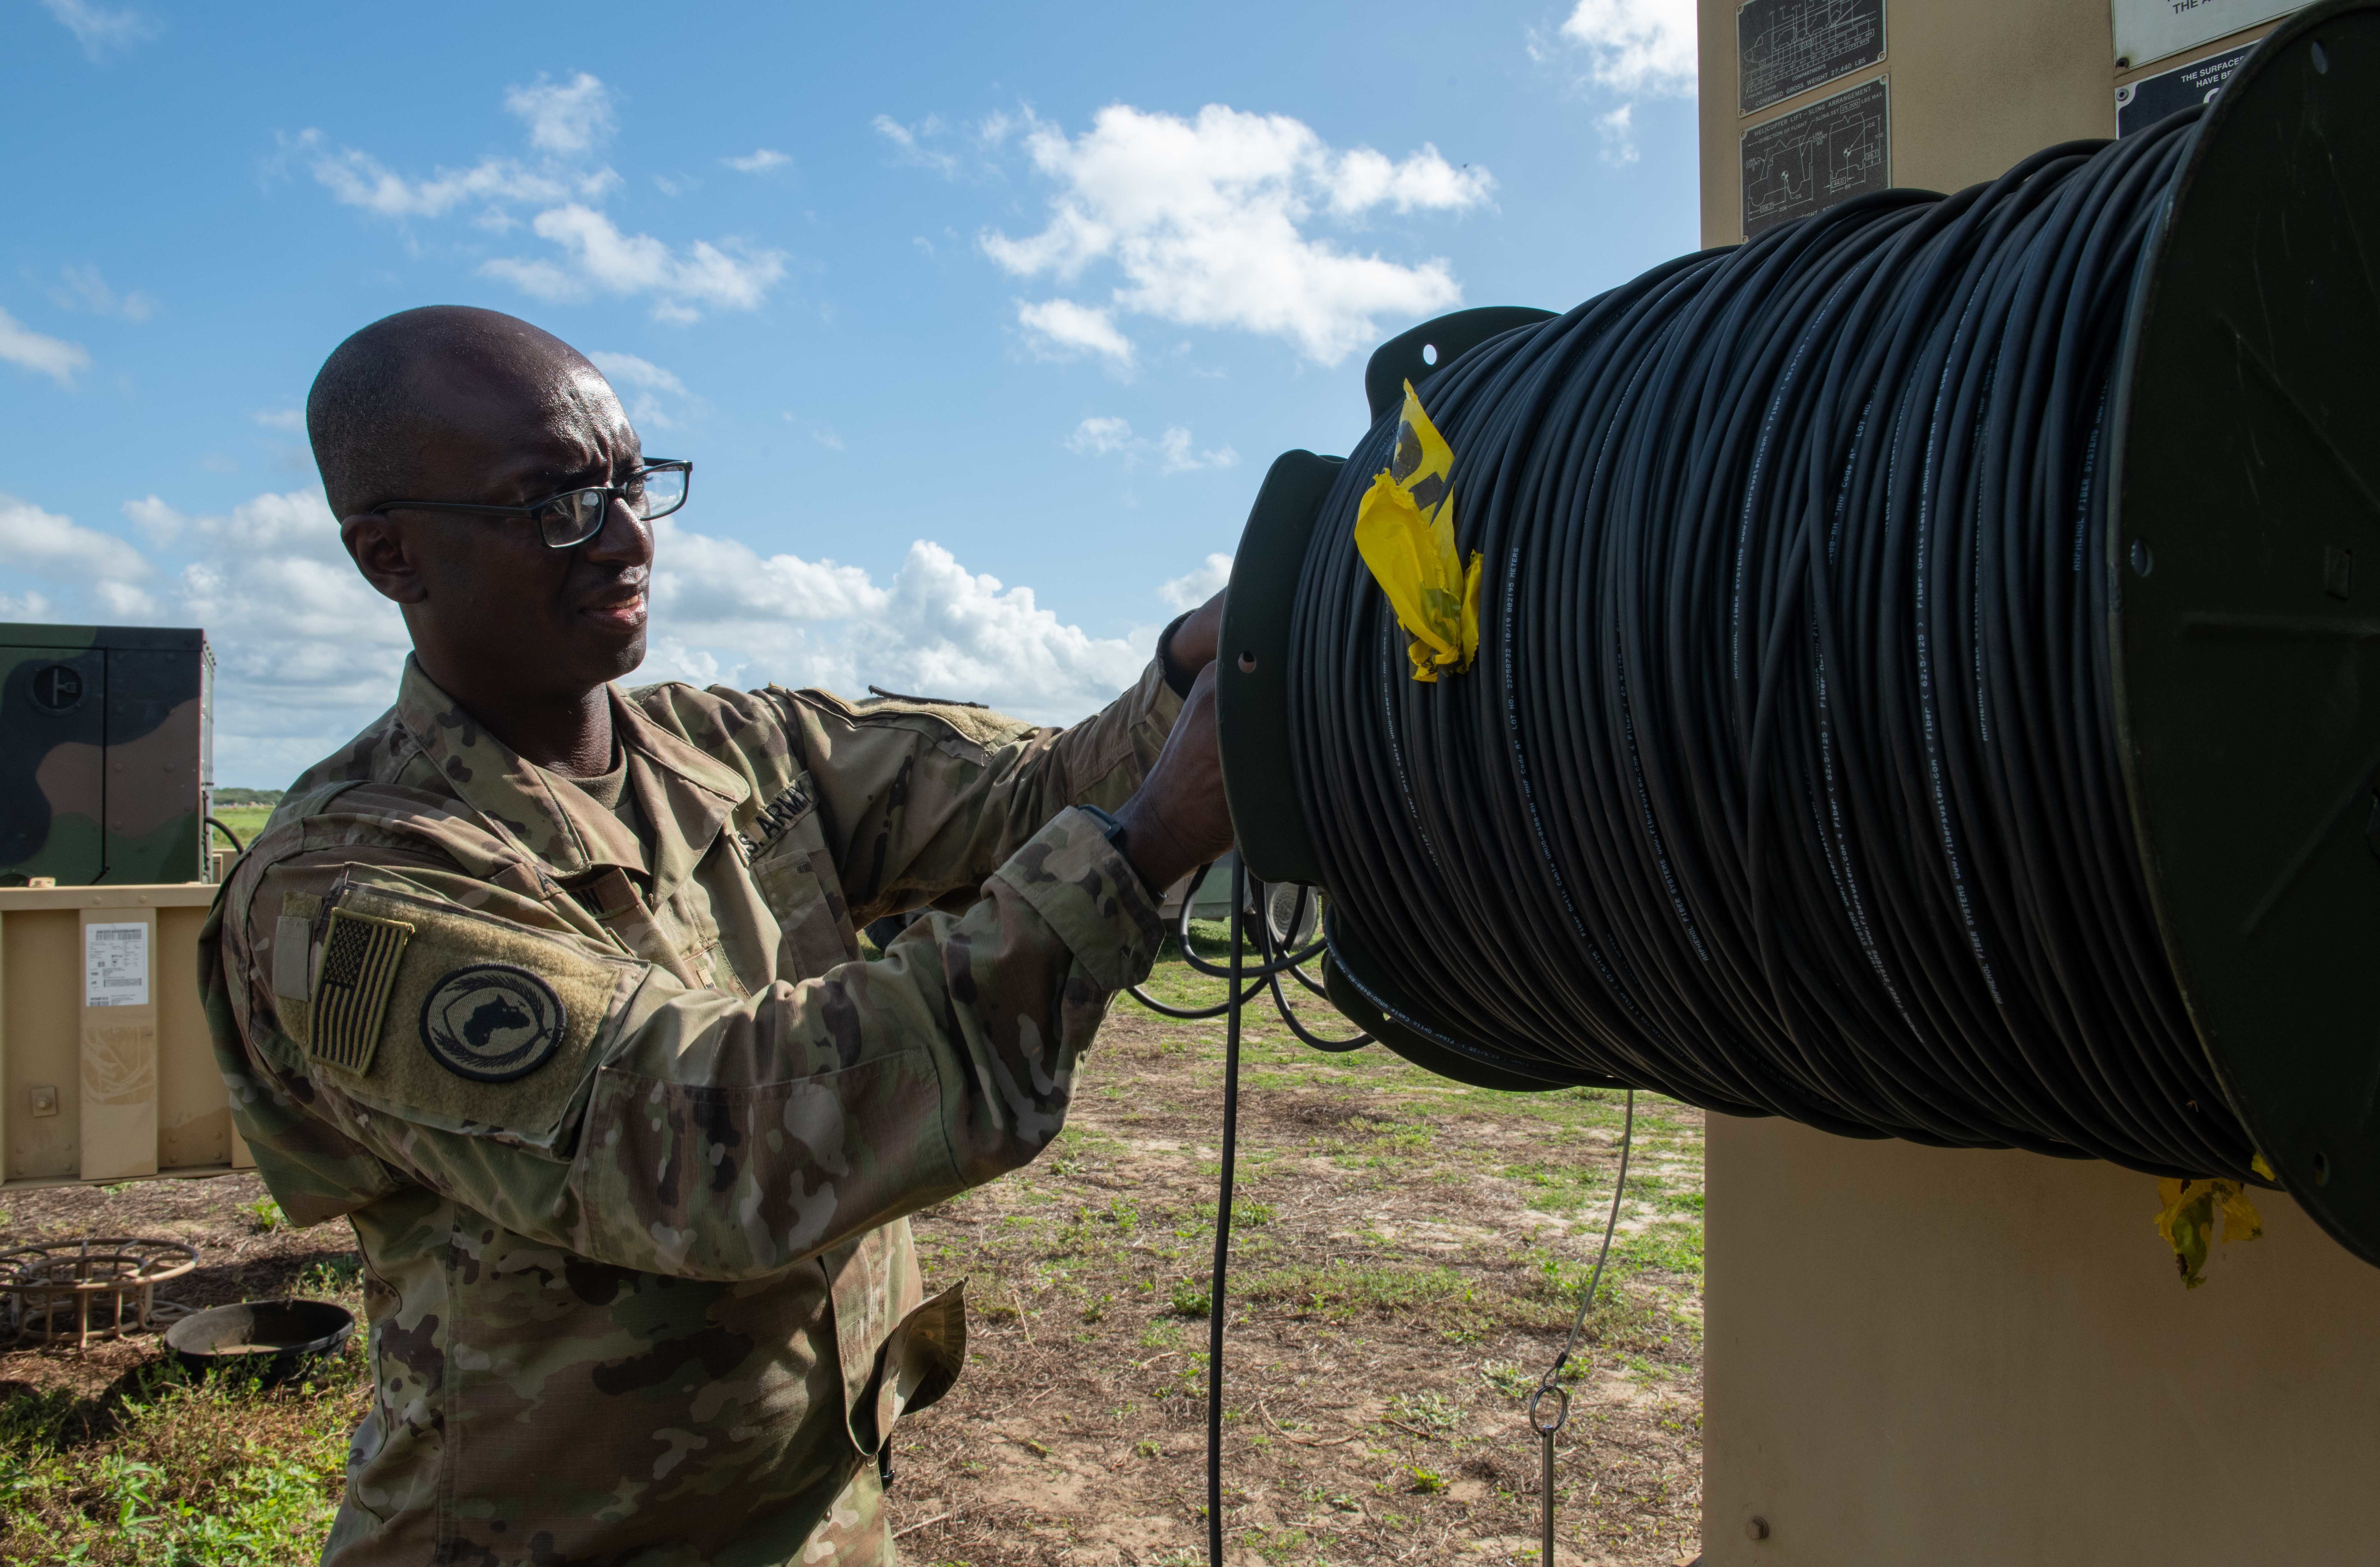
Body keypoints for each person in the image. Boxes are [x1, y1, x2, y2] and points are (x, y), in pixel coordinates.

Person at [199, 304, 1235, 1566]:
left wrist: (1194, 663)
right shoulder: (348, 886)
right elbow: (711, 1144)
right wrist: (1145, 847)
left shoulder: (734, 748)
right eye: (555, 501)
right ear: (390, 555)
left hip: (815, 1521)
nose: (627, 535)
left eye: (632, 482)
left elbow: (1031, 795)